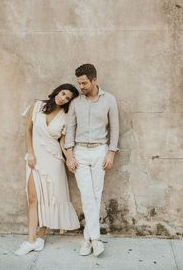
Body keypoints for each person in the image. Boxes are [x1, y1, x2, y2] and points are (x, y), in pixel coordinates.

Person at [15, 84, 80, 255]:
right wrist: (30, 152)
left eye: (67, 98)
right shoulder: (37, 106)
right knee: (33, 198)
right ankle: (30, 239)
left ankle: (39, 238)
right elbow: (28, 129)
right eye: (63, 93)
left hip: (54, 161)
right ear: (58, 90)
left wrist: (69, 159)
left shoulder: (65, 116)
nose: (63, 98)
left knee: (50, 200)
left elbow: (62, 143)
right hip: (35, 158)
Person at [65, 64, 119, 257]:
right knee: (88, 195)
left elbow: (115, 128)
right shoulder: (76, 103)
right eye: (79, 83)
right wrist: (69, 156)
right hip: (80, 152)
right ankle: (96, 239)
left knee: (96, 195)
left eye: (84, 82)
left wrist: (111, 153)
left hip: (100, 151)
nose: (81, 86)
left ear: (94, 80)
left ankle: (87, 239)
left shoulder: (109, 100)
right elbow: (69, 130)